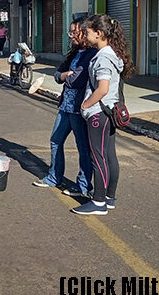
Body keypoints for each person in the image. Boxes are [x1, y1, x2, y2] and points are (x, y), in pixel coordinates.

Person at [72, 14, 135, 215]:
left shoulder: (103, 57)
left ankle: (99, 202)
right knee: (109, 155)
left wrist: (85, 105)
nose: (85, 35)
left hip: (99, 113)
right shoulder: (112, 54)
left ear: (98, 34)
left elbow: (103, 88)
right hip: (109, 111)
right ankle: (109, 197)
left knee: (98, 157)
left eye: (88, 32)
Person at [32, 17, 96, 198]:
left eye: (75, 32)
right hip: (65, 106)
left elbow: (78, 80)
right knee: (55, 140)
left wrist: (66, 76)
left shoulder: (91, 54)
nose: (72, 36)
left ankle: (83, 186)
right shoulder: (75, 52)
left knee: (83, 147)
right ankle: (54, 177)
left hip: (79, 108)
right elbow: (58, 74)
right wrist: (65, 75)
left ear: (85, 32)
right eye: (71, 32)